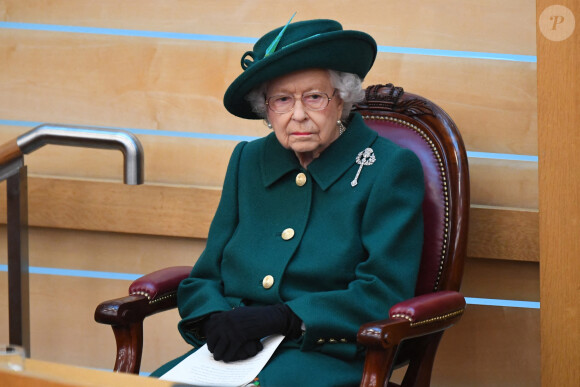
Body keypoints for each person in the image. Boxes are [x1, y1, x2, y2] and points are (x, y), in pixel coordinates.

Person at [151, 18, 424, 386]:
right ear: (266, 109)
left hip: (326, 353)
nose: (298, 115)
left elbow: (383, 292)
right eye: (282, 99)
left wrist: (285, 318)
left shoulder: (389, 168)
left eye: (313, 96)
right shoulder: (248, 160)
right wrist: (216, 319)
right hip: (237, 351)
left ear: (342, 97)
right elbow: (206, 276)